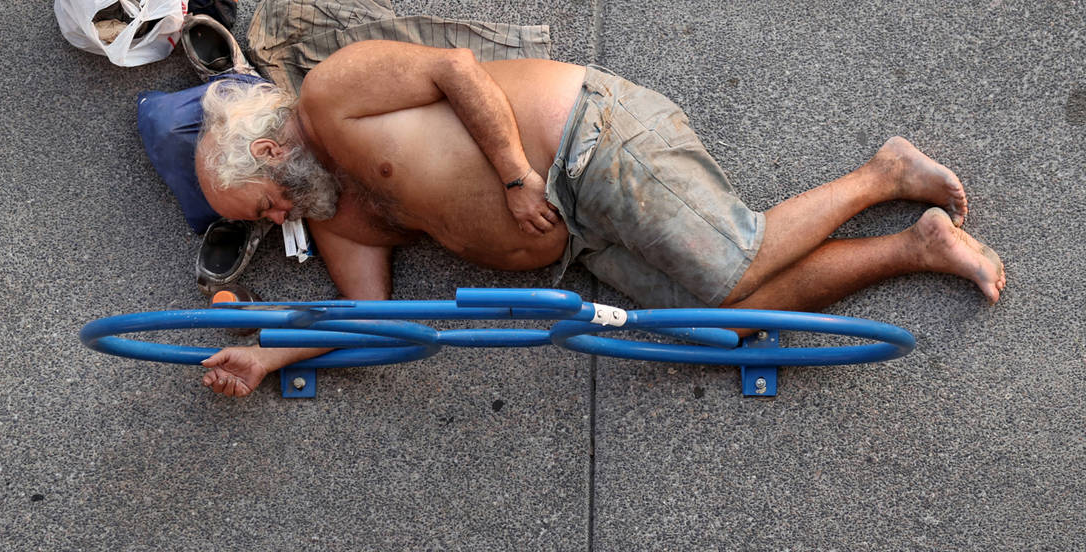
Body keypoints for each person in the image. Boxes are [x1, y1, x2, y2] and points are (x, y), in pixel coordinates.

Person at [194, 40, 1005, 397]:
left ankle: (883, 173)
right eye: (265, 222)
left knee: (730, 264)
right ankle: (914, 245)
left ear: (269, 154)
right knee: (720, 320)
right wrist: (267, 356)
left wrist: (516, 177)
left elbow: (455, 67)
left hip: (585, 140)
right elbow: (372, 317)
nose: (276, 221)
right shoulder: (334, 215)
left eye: (262, 206)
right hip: (572, 243)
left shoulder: (335, 90)